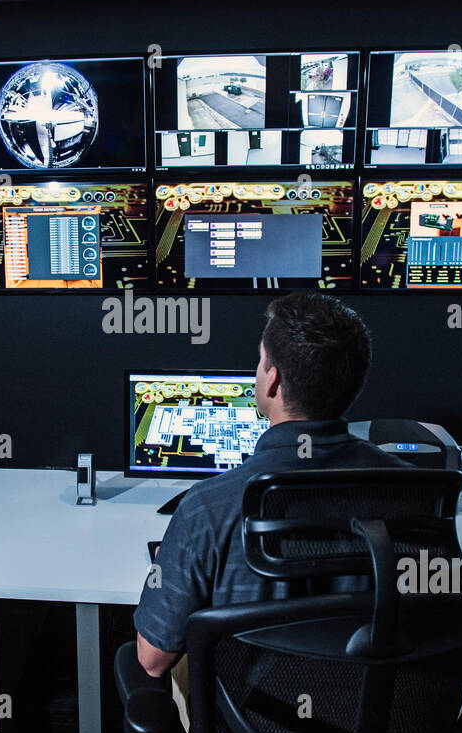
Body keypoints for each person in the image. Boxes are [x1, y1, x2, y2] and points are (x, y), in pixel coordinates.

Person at [133, 290, 408, 701]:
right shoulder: (417, 495)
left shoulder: (207, 507)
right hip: (387, 727)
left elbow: (152, 658)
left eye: (261, 361)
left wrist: (170, 568)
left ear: (273, 379)